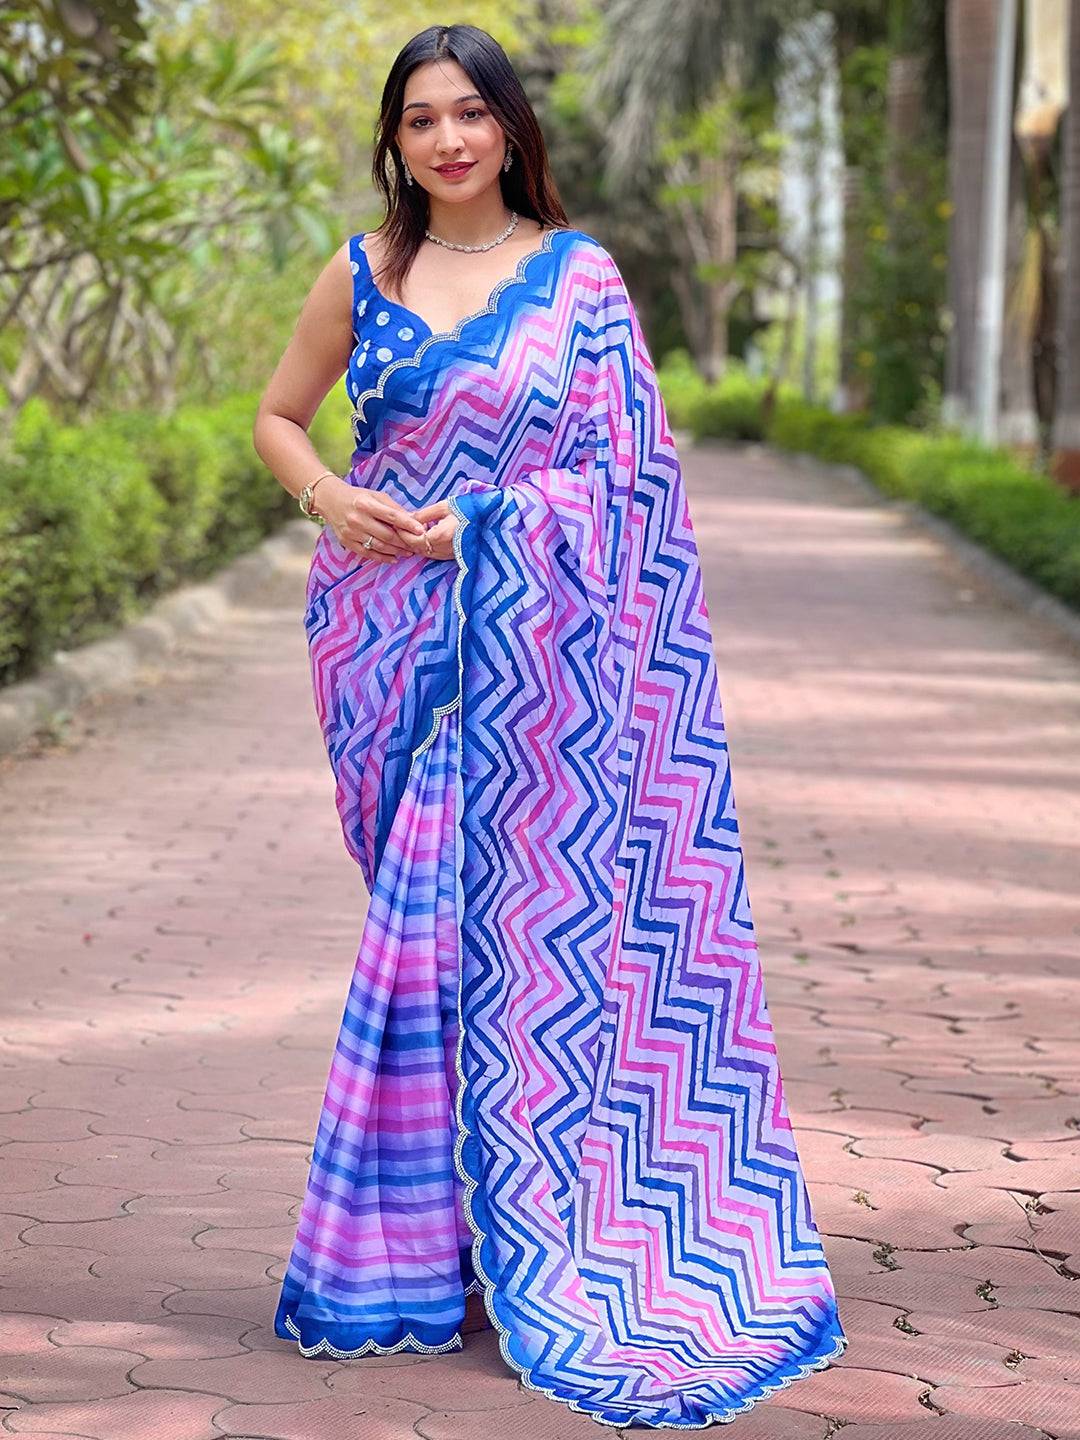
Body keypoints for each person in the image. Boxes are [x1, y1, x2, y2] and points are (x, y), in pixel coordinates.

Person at [252, 22, 846, 1430]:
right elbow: (278, 417)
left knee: (496, 941)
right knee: (432, 936)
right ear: (392, 143)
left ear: (511, 129)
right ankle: (430, 1247)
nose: (447, 140)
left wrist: (500, 520)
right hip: (393, 648)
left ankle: (523, 1237)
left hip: (541, 668)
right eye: (419, 122)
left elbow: (629, 481)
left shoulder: (578, 279)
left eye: (470, 114)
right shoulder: (362, 270)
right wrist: (333, 498)